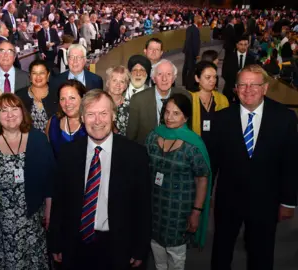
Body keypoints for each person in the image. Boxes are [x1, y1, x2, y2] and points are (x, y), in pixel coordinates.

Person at [49, 89, 151, 269]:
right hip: (76, 246)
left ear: (113, 115)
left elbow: (143, 206)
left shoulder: (135, 154)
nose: (97, 121)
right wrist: (56, 241)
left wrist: (140, 247)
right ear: (82, 118)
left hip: (118, 246)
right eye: (90, 114)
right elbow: (60, 203)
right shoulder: (68, 154)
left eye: (103, 113)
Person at [210, 64, 298, 270]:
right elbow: (212, 162)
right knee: (221, 252)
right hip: (228, 201)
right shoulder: (222, 119)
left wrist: (288, 202)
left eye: (254, 85)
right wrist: (205, 198)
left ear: (265, 88)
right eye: (242, 85)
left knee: (262, 254)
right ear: (235, 88)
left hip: (266, 201)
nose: (248, 90)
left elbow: (290, 162)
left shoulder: (284, 118)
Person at [0, 93, 55, 269]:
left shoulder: (38, 140)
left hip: (31, 220)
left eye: (14, 109)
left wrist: (49, 210)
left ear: (22, 112)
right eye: (4, 110)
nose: (10, 115)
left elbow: (50, 179)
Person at [145, 93, 211, 270]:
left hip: (179, 209)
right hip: (154, 205)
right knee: (157, 249)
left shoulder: (193, 145)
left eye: (176, 113)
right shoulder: (153, 137)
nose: (169, 117)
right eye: (167, 112)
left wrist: (196, 212)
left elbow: (202, 179)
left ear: (186, 117)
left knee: (176, 255)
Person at [127, 59, 191, 144]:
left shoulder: (185, 96)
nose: (164, 79)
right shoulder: (138, 100)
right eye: (160, 74)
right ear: (153, 78)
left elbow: (188, 130)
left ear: (174, 78)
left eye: (168, 74)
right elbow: (131, 137)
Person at [189, 61, 229, 149]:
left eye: (215, 77)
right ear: (197, 78)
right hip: (194, 147)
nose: (213, 80)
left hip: (216, 147)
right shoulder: (189, 98)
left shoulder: (222, 99)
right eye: (208, 77)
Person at [45, 79, 87, 157]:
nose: (67, 103)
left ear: (83, 98)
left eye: (72, 98)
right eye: (62, 99)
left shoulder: (92, 123)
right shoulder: (53, 122)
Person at [16, 59, 57, 132]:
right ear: (30, 76)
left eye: (42, 73)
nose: (38, 77)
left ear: (48, 75)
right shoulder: (19, 95)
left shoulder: (57, 93)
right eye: (34, 73)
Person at [222, 35, 256, 103]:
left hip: (246, 90)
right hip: (230, 89)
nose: (243, 47)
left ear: (248, 45)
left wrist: (243, 87)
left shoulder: (252, 58)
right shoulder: (229, 57)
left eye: (245, 44)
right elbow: (224, 73)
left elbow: (253, 75)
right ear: (237, 45)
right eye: (241, 44)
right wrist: (233, 87)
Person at [105, 65, 131, 136]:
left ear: (126, 85)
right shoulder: (98, 102)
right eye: (114, 80)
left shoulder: (131, 106)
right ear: (108, 82)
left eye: (122, 82)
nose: (118, 85)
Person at [182, 15, 201, 90]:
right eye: (200, 19)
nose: (201, 20)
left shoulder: (190, 28)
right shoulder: (195, 29)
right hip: (192, 52)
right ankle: (189, 84)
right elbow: (195, 43)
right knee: (191, 68)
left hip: (188, 51)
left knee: (186, 67)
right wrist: (196, 54)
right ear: (197, 20)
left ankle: (184, 82)